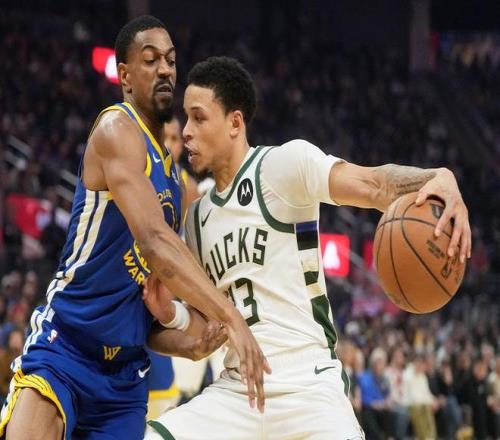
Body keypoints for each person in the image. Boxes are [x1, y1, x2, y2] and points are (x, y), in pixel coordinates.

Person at [144, 56, 471, 439]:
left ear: (235, 122)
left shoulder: (282, 166)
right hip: (236, 391)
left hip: (309, 386)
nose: (186, 132)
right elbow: (207, 331)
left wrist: (437, 177)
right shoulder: (195, 219)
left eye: (199, 118)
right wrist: (170, 314)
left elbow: (373, 186)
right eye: (186, 118)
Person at [0, 18, 269, 440]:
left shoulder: (176, 183)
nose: (165, 69)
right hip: (66, 346)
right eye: (150, 59)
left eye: (171, 61)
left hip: (124, 377)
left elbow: (149, 318)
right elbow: (154, 240)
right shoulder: (117, 130)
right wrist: (231, 316)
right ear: (124, 75)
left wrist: (192, 340)